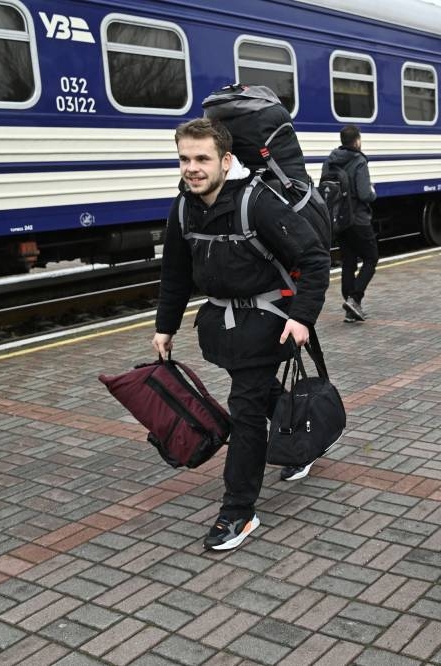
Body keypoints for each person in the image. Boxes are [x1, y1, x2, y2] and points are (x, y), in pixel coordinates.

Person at [153, 118, 330, 550]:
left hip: (267, 324)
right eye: (184, 158)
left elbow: (314, 257)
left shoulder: (258, 201)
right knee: (257, 392)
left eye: (202, 159)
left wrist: (302, 317)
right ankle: (307, 437)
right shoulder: (183, 206)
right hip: (222, 328)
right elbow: (175, 272)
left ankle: (239, 511)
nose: (191, 168)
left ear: (226, 160)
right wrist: (165, 325)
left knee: (246, 412)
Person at [323, 125, 378, 322]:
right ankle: (355, 299)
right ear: (357, 140)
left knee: (348, 262)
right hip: (359, 220)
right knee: (371, 258)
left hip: (339, 220)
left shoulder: (330, 160)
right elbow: (364, 193)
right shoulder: (359, 160)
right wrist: (373, 192)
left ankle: (350, 309)